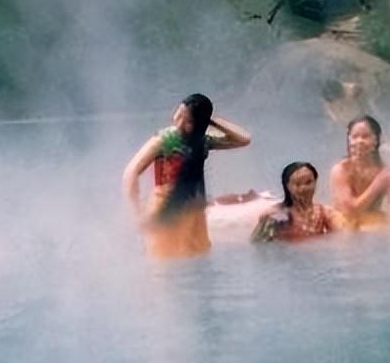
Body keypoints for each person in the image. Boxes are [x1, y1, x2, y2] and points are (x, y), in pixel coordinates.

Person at [122, 93, 251, 259]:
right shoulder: (164, 139)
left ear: (199, 124)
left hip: (193, 211)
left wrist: (213, 121)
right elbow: (131, 173)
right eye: (179, 114)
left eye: (188, 120)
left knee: (197, 260)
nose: (179, 123)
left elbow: (244, 139)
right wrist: (136, 211)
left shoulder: (202, 141)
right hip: (165, 207)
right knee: (165, 262)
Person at [328, 115, 390, 231]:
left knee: (386, 225)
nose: (359, 141)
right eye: (354, 137)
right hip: (344, 226)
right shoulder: (341, 170)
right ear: (349, 140)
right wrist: (378, 184)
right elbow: (350, 211)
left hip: (369, 223)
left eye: (365, 136)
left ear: (376, 140)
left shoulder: (388, 174)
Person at [252, 162, 334, 242]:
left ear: (315, 182)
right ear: (287, 186)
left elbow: (341, 239)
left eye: (308, 182)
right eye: (297, 184)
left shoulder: (325, 213)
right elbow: (258, 245)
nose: (303, 188)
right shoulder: (274, 216)